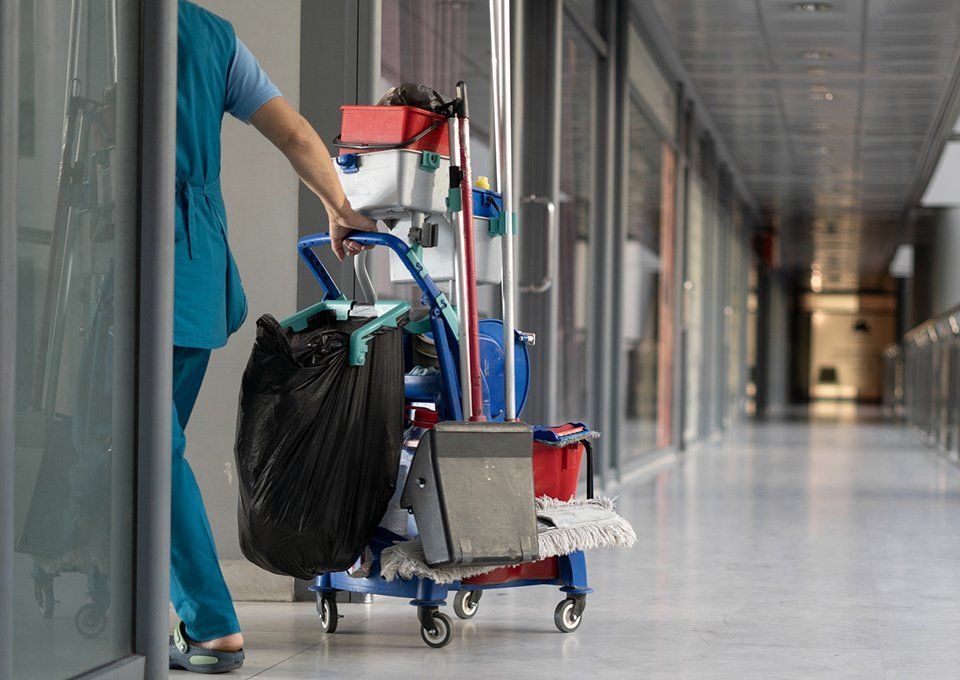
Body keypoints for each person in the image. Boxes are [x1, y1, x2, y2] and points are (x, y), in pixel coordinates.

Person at [169, 1, 375, 673]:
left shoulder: (102, 25)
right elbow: (292, 133)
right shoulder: (213, 37)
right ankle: (167, 608)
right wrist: (340, 208)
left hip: (137, 269)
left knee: (142, 446)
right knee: (145, 443)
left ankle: (209, 623)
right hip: (193, 268)